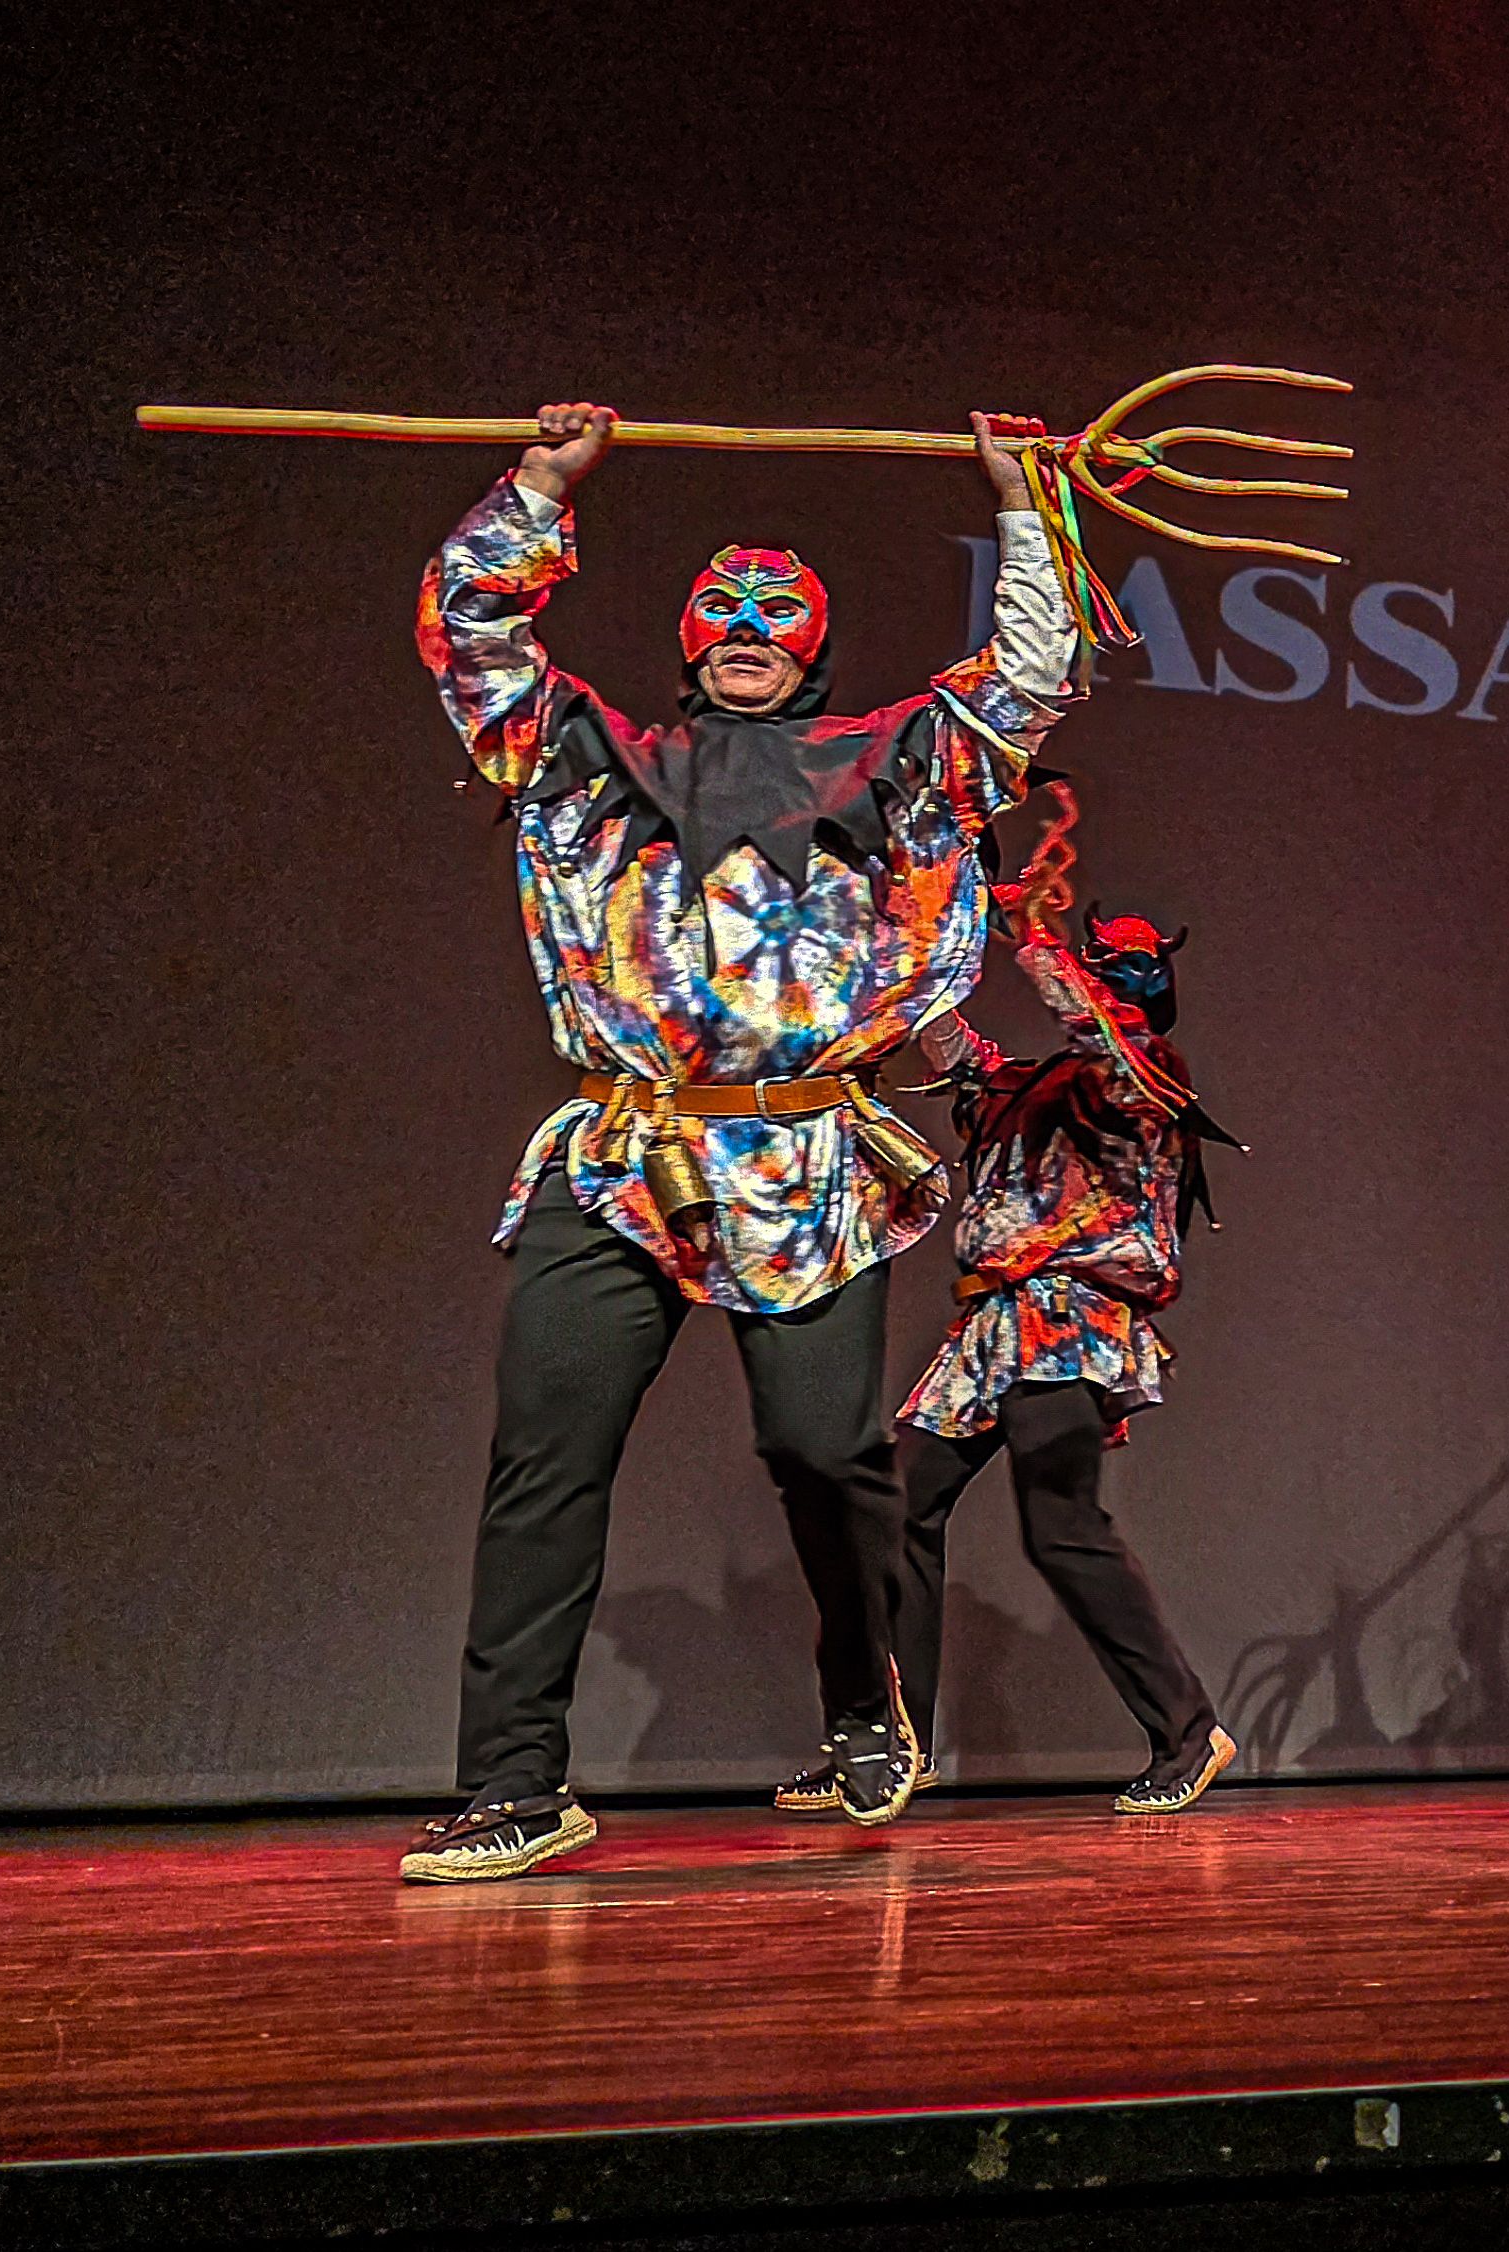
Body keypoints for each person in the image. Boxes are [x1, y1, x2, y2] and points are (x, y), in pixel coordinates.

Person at [401, 402, 1075, 1883]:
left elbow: (1031, 680)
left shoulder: (896, 762)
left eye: (780, 614)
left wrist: (1022, 498)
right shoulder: (592, 756)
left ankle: (862, 1696)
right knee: (546, 1457)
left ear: (815, 643)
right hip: (628, 1154)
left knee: (824, 1454)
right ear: (690, 641)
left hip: (808, 1162)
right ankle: (514, 1781)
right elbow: (474, 638)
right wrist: (538, 485)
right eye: (724, 613)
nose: (750, 629)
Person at [806, 893, 1243, 1815]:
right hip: (992, 1329)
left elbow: (1096, 1037)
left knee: (1062, 1529)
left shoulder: (1143, 1072)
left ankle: (1187, 1729)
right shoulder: (1037, 1086)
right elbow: (966, 1061)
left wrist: (1027, 935)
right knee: (897, 1506)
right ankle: (898, 1741)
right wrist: (912, 939)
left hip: (1070, 1317)